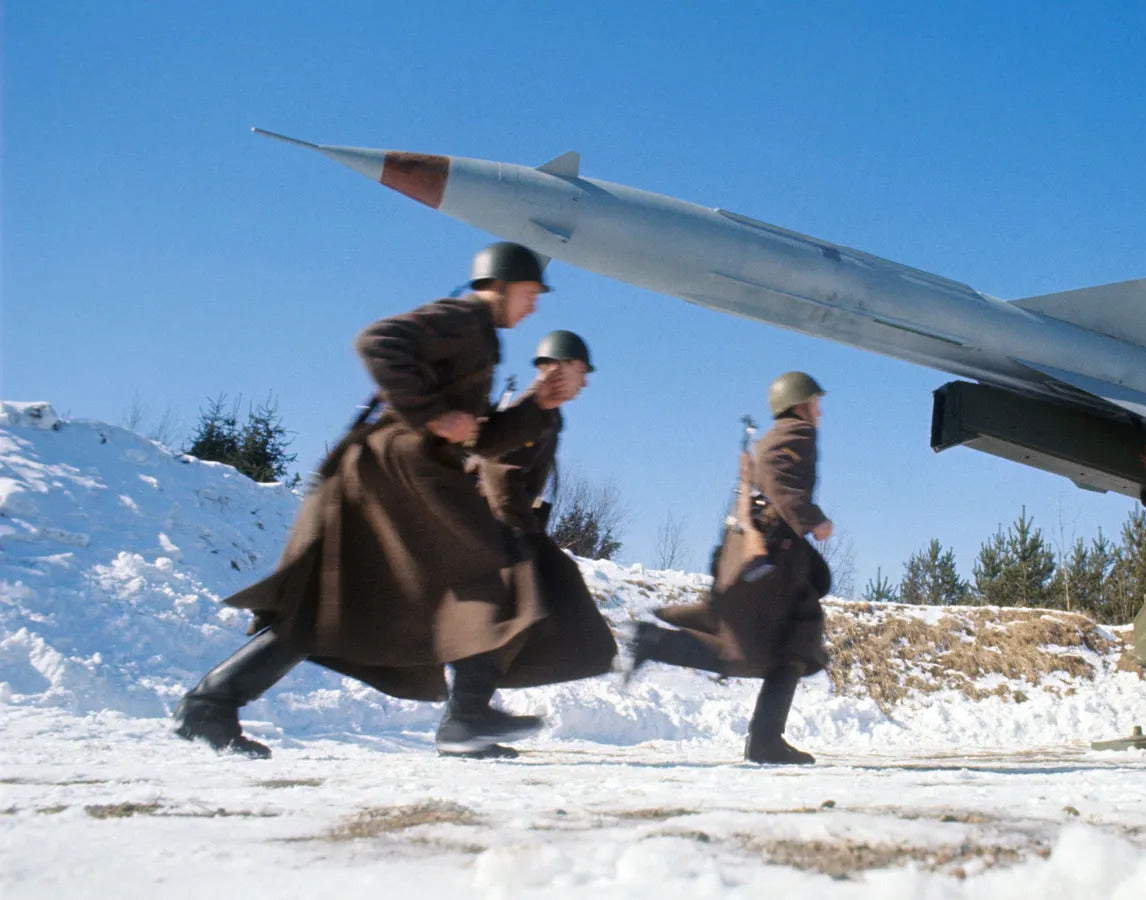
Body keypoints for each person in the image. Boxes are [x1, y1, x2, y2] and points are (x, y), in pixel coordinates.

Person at [173, 241, 580, 759]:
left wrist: (538, 403)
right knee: (489, 570)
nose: (535, 305)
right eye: (530, 292)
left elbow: (477, 438)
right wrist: (432, 413)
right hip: (393, 472)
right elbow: (378, 340)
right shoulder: (462, 316)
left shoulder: (480, 338)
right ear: (498, 286)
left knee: (332, 607)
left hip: (402, 475)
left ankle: (210, 704)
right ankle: (467, 716)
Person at [628, 372, 833, 765]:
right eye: (816, 402)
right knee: (776, 648)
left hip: (766, 553)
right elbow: (778, 477)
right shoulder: (795, 433)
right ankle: (763, 739)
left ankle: (765, 739)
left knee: (777, 646)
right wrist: (813, 519)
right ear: (801, 404)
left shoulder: (778, 435)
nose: (819, 410)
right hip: (774, 556)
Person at [468, 330, 618, 743]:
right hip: (495, 533)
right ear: (556, 366)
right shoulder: (527, 409)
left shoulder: (550, 415)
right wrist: (518, 536)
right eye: (580, 370)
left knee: (519, 621)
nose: (584, 381)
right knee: (512, 620)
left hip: (512, 529)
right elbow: (498, 471)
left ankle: (468, 715)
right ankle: (466, 715)